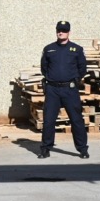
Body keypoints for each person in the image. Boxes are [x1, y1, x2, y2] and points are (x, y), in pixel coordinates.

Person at [39, 20, 89, 159]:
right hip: (53, 90)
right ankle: (45, 148)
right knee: (49, 121)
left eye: (64, 30)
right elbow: (44, 68)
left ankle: (82, 149)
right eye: (59, 30)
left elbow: (82, 68)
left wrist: (74, 80)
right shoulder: (49, 49)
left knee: (76, 120)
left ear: (69, 32)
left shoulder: (76, 49)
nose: (61, 33)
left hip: (69, 90)